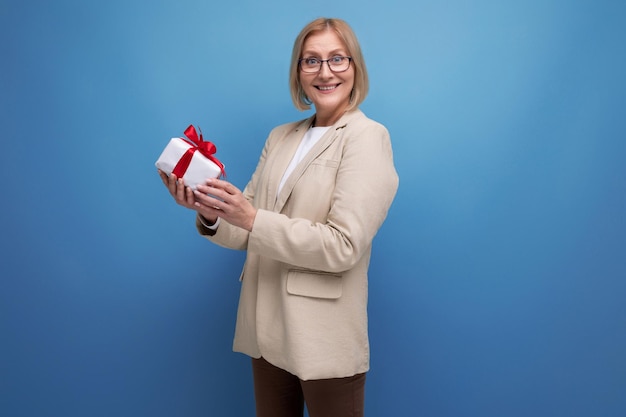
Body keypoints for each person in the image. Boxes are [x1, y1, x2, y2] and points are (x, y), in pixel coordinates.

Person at [159, 17, 399, 417]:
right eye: (311, 61)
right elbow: (245, 230)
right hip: (266, 330)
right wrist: (210, 210)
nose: (325, 72)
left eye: (337, 59)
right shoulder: (281, 136)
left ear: (355, 67)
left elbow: (343, 246)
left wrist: (252, 219)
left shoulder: (368, 137)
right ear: (298, 72)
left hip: (323, 336)